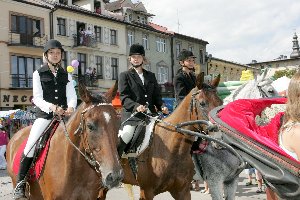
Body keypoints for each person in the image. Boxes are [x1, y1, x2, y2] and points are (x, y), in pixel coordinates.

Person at [13, 39, 77, 199]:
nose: (55, 55)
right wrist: (52, 107)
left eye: (58, 53)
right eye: (52, 53)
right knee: (30, 146)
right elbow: (38, 98)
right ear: (46, 55)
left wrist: (70, 107)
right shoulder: (38, 74)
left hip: (65, 117)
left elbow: (72, 95)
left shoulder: (66, 75)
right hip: (46, 117)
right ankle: (20, 184)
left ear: (61, 56)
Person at [117, 44, 169, 157]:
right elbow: (124, 97)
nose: (136, 59)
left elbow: (157, 96)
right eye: (133, 57)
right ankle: (118, 159)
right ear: (130, 59)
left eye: (139, 57)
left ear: (143, 59)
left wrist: (162, 106)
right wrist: (136, 106)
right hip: (133, 115)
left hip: (151, 115)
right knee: (127, 135)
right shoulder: (124, 75)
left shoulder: (151, 76)